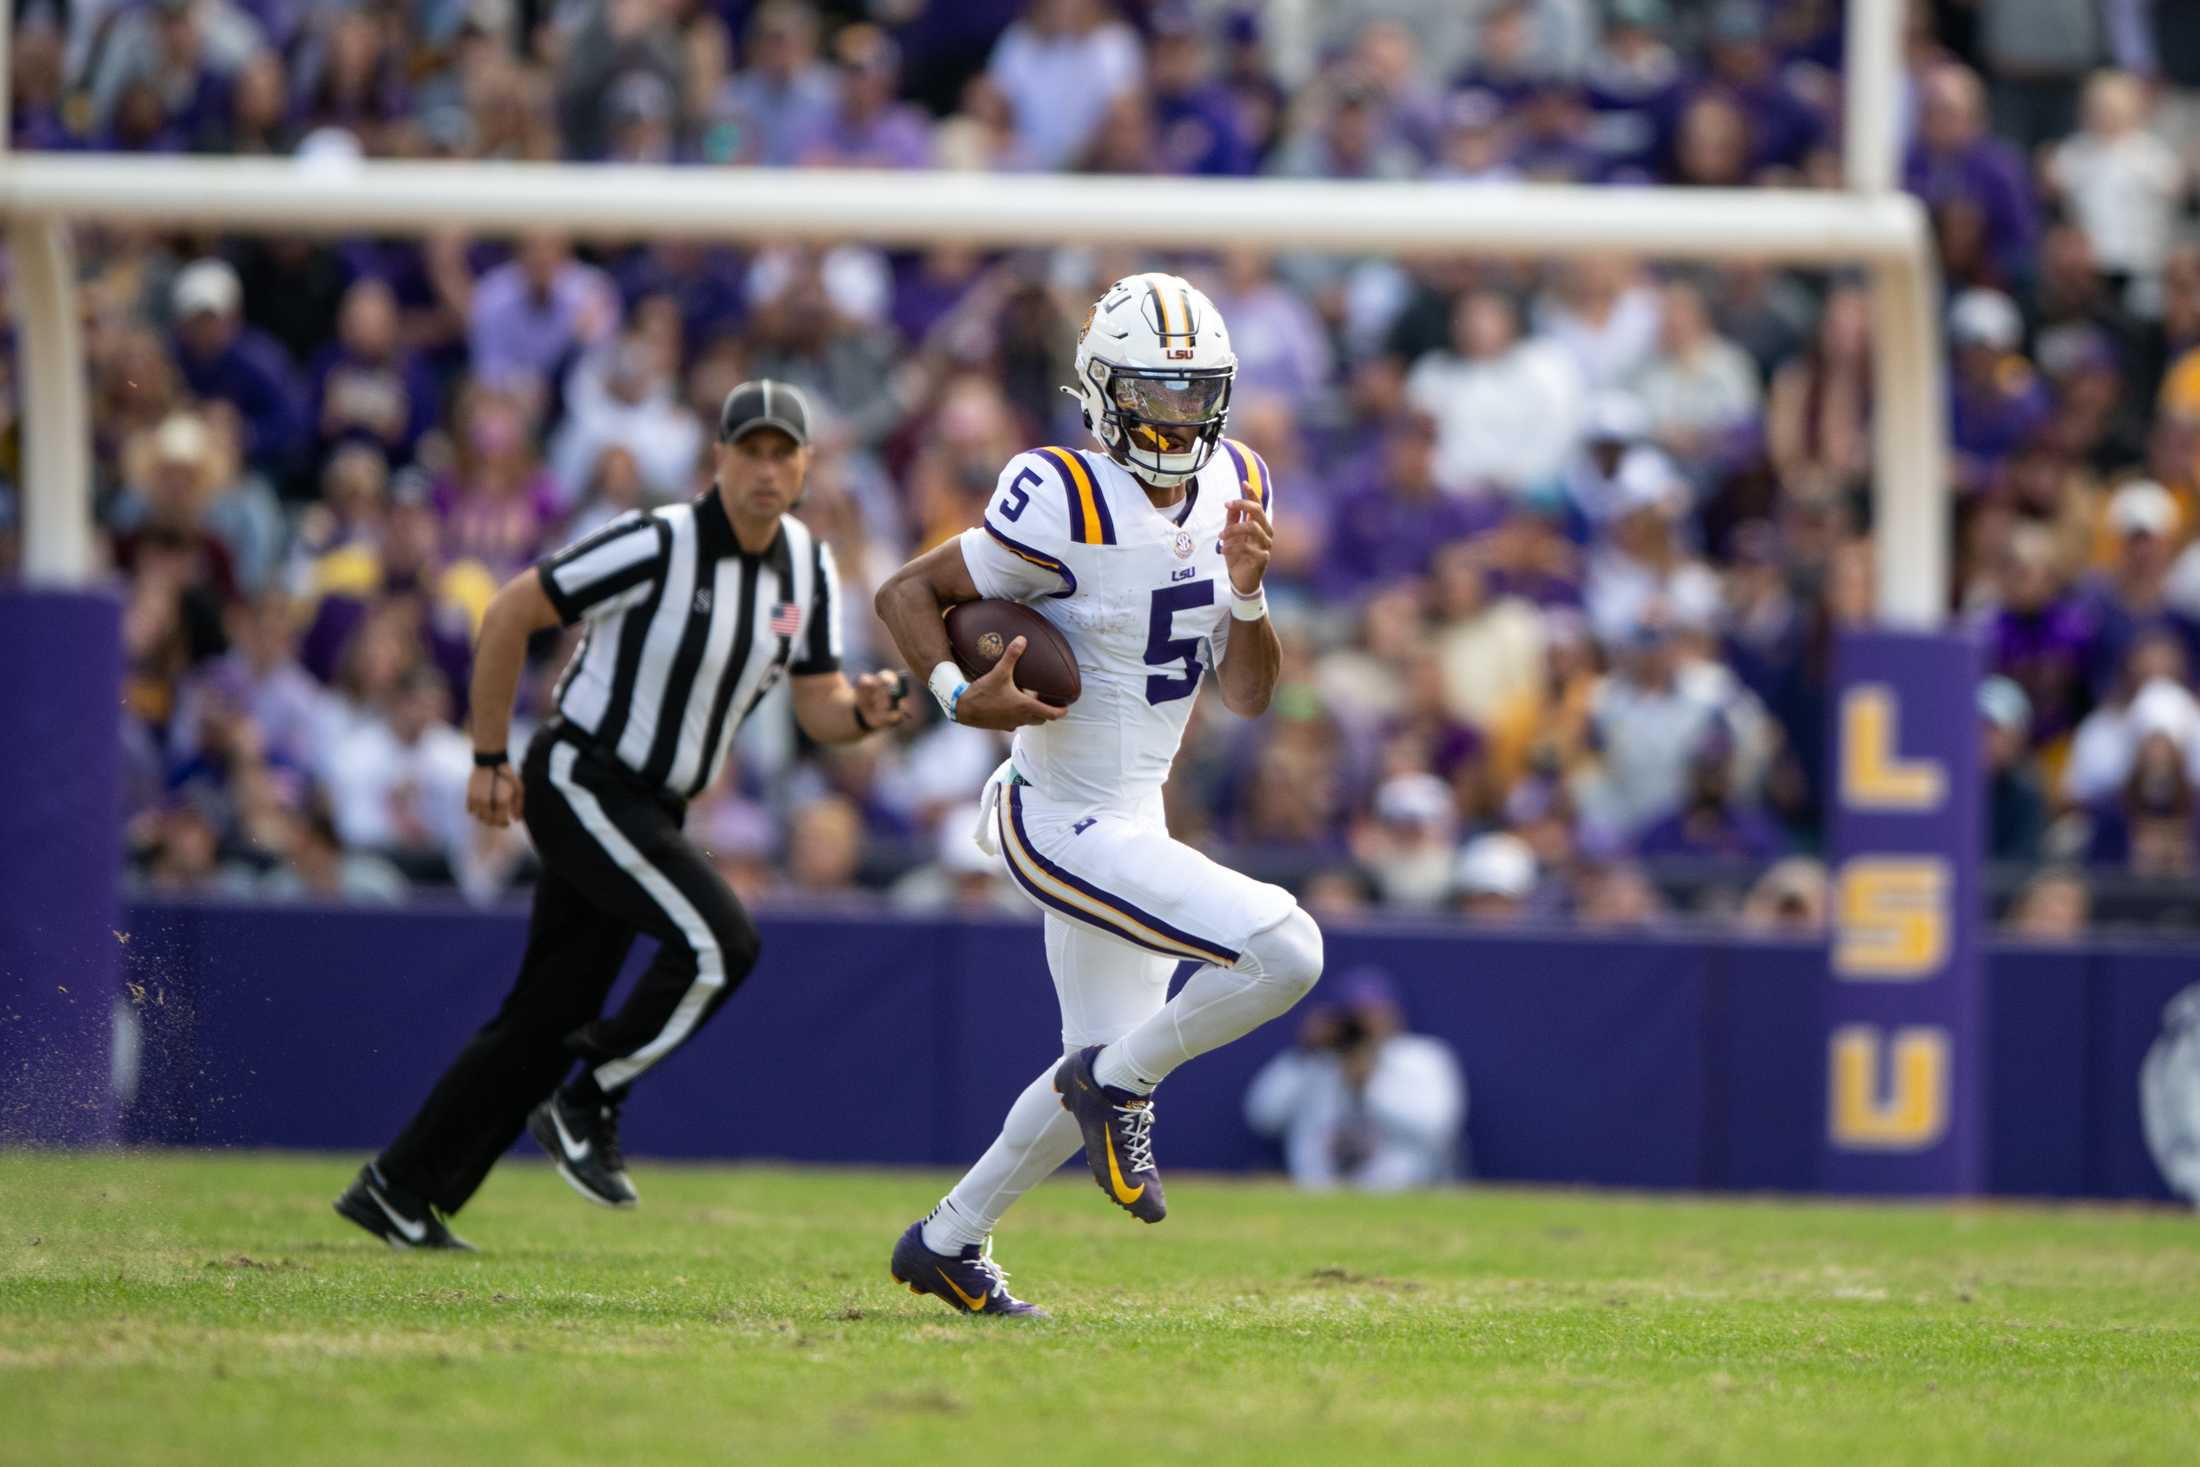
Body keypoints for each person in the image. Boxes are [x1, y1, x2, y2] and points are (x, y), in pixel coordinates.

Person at [333, 380, 908, 1250]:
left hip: (652, 803)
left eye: (781, 452)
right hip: (583, 776)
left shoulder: (808, 566)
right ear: (716, 457)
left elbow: (818, 702)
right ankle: (590, 1096)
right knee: (722, 942)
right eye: (748, 449)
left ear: (805, 465)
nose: (764, 467)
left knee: (546, 1012)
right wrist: (488, 756)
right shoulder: (658, 541)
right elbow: (509, 610)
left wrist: (863, 707)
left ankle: (401, 1188)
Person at [871, 274, 1324, 1316]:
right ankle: (1116, 1090)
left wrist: (1250, 591)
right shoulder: (1058, 492)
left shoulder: (1239, 482)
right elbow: (906, 592)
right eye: (1153, 393)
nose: (1175, 416)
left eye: (1192, 392)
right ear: (1100, 391)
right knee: (1286, 949)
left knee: (1098, 1054)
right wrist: (954, 694)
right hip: (1058, 817)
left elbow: (1249, 696)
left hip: (1135, 814)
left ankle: (947, 1241)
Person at [1243, 970, 1466, 1190]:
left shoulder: (1422, 1058)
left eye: (1371, 1012)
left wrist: (1367, 1089)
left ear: (1393, 1013)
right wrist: (1303, 1053)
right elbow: (1264, 1118)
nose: (1362, 1024)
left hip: (1401, 1191)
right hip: (1319, 1192)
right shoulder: (1315, 1062)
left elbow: (1437, 1131)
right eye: (1352, 1015)